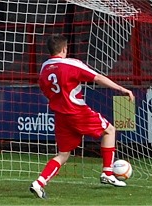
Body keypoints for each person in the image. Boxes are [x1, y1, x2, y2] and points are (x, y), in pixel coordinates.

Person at [30, 34, 135, 199]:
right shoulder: (71, 64)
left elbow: (44, 88)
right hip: (77, 111)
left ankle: (39, 183)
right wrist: (122, 89)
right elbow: (98, 78)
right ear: (64, 49)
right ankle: (107, 172)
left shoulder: (44, 67)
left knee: (63, 154)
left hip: (60, 115)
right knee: (109, 130)